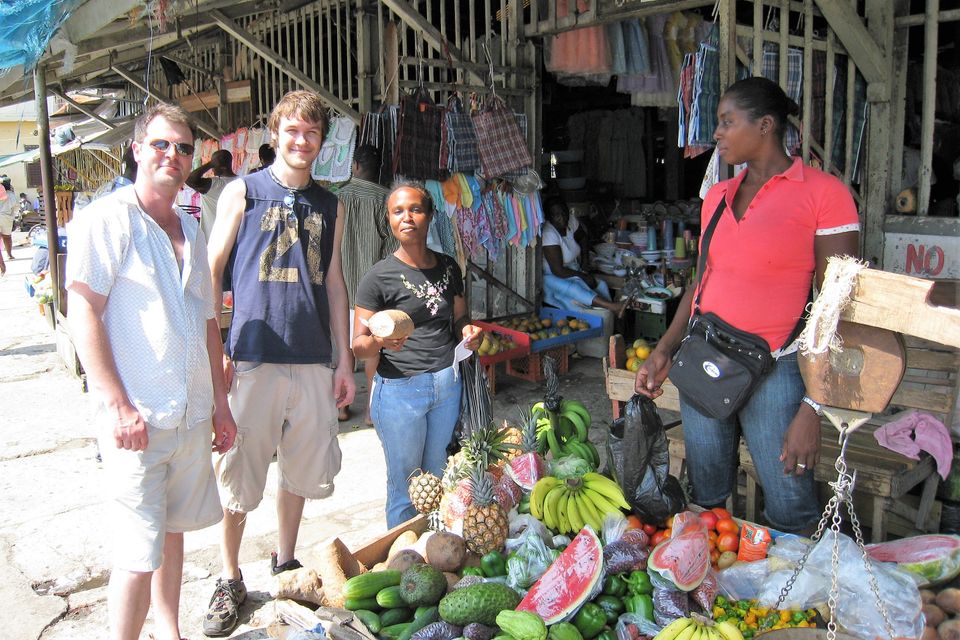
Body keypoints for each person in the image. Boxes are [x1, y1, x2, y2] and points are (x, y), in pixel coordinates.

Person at [634, 77, 860, 534]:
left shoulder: (824, 194)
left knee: (791, 507)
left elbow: (840, 308)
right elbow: (702, 281)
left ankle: (794, 601)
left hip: (777, 372)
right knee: (706, 501)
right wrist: (665, 348)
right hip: (706, 360)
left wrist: (813, 409)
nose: (716, 133)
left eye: (726, 122)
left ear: (765, 126)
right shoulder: (717, 196)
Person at [65, 104, 237, 640]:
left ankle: (170, 630)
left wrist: (220, 407)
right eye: (162, 144)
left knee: (172, 532)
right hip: (138, 419)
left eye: (184, 147)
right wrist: (116, 404)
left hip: (188, 416)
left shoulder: (190, 223)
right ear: (137, 148)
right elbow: (83, 311)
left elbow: (208, 320)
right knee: (137, 552)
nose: (174, 155)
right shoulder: (107, 219)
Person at [204, 90, 355, 637]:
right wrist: (215, 346)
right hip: (253, 354)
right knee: (239, 474)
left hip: (312, 356)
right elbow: (211, 269)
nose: (300, 141)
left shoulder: (331, 205)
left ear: (321, 141)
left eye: (311, 133)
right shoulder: (242, 191)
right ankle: (228, 576)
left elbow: (335, 283)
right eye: (291, 131)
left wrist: (343, 361)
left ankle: (285, 560)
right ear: (274, 135)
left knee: (299, 468)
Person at [352, 181, 483, 527]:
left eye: (415, 209)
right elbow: (358, 345)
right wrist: (381, 342)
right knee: (405, 486)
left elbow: (459, 318)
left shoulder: (449, 266)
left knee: (439, 477)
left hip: (446, 385)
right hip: (400, 393)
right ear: (389, 220)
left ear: (429, 216)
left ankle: (435, 553)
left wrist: (468, 331)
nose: (407, 217)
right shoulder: (377, 278)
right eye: (398, 211)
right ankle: (402, 564)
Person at [336, 144, 399, 423]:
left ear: (355, 166)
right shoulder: (386, 201)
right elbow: (394, 250)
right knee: (372, 349)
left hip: (340, 289)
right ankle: (373, 412)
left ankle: (342, 407)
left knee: (344, 350)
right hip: (373, 294)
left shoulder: (336, 198)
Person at [541, 196, 625, 315]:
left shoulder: (571, 221)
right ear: (549, 217)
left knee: (601, 285)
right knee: (576, 289)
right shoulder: (548, 234)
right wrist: (583, 276)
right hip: (552, 276)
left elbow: (583, 237)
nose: (563, 218)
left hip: (572, 270)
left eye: (564, 212)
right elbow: (558, 270)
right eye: (557, 215)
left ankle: (611, 317)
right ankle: (612, 307)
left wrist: (585, 262)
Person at [186, 149, 238, 242]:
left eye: (214, 165)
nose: (213, 169)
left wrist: (209, 164)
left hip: (213, 241)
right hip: (235, 240)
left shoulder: (214, 185)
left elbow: (189, 179)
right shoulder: (242, 181)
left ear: (220, 166)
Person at [0, 176, 16, 261]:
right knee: (7, 237)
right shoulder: (11, 195)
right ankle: (9, 254)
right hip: (7, 217)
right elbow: (15, 207)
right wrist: (13, 217)